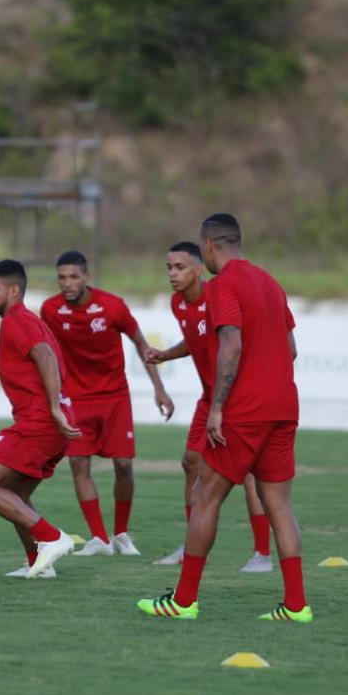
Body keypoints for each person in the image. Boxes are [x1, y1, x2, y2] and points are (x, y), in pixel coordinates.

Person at [137, 214, 311, 623]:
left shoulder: (222, 286)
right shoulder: (271, 282)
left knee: (204, 497)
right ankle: (297, 605)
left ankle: (182, 601)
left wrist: (218, 407)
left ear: (209, 246)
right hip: (284, 406)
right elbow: (291, 349)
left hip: (244, 410)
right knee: (280, 507)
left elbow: (229, 344)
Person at [144, 242, 273, 573]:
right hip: (208, 398)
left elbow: (232, 342)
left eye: (180, 267)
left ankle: (261, 554)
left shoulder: (218, 296)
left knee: (246, 474)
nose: (173, 274)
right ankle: (191, 545)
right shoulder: (178, 303)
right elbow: (197, 339)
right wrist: (165, 355)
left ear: (198, 269)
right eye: (169, 268)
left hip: (232, 398)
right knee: (190, 462)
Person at [39, 251, 173, 558]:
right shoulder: (50, 310)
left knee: (124, 467)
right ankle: (99, 538)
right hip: (76, 398)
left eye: (73, 277)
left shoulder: (112, 306)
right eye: (62, 277)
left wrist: (159, 388)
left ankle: (121, 534)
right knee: (78, 463)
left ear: (86, 277)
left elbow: (142, 344)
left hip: (114, 398)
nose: (67, 283)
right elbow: (44, 353)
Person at [0, 259, 80, 579]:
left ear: (14, 291)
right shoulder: (25, 318)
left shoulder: (16, 320)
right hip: (50, 422)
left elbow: (44, 355)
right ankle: (38, 564)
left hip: (40, 423)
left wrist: (54, 408)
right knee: (15, 495)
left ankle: (51, 537)